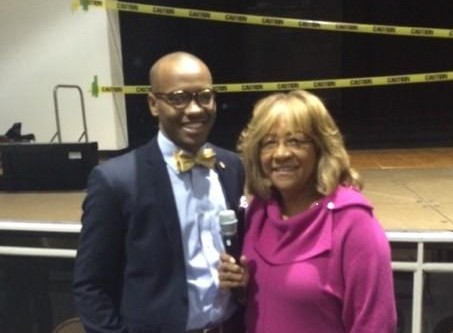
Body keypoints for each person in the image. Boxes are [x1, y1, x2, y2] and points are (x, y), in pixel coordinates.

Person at [73, 51, 245, 333]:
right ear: (154, 104)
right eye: (178, 97)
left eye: (204, 95)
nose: (195, 109)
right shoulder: (117, 180)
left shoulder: (231, 167)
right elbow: (90, 286)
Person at [219, 89, 397, 333]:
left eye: (296, 141)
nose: (281, 154)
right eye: (269, 143)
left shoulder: (353, 224)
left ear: (320, 148)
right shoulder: (259, 212)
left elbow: (375, 325)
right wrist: (242, 290)